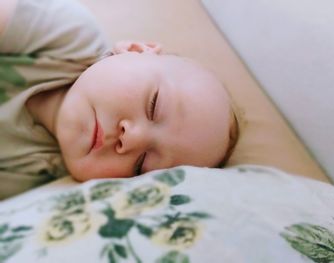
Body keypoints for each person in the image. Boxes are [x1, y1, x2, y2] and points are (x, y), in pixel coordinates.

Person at [0, 0, 238, 199]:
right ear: (135, 50)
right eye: (153, 105)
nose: (132, 138)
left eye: (141, 166)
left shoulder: (40, 185)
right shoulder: (70, 36)